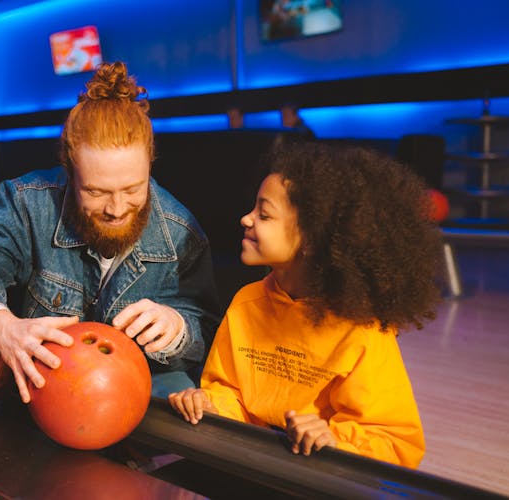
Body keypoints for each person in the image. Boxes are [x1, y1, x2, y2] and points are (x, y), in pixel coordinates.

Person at [0, 61, 221, 403]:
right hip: (41, 398)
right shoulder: (27, 203)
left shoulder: (181, 232)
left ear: (150, 163)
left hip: (131, 399)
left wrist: (178, 327)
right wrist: (2, 326)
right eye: (96, 193)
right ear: (70, 172)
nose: (116, 209)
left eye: (133, 189)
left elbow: (206, 328)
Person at [168, 142, 443, 468]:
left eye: (264, 214)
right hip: (251, 467)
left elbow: (397, 443)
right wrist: (209, 404)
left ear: (312, 241)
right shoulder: (246, 303)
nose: (246, 219)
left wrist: (332, 440)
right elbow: (229, 392)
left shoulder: (362, 332)